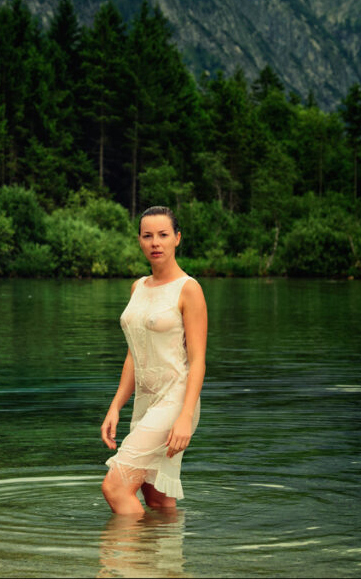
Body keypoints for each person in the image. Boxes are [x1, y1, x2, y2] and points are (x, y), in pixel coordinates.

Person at [101, 205, 207, 515]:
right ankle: (162, 549)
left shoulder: (188, 289)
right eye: (147, 236)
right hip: (145, 402)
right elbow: (134, 354)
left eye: (163, 235)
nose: (155, 243)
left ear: (177, 238)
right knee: (158, 500)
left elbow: (198, 360)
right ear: (139, 240)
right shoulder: (138, 287)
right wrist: (116, 406)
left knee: (115, 487)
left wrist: (185, 416)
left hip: (176, 401)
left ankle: (127, 549)